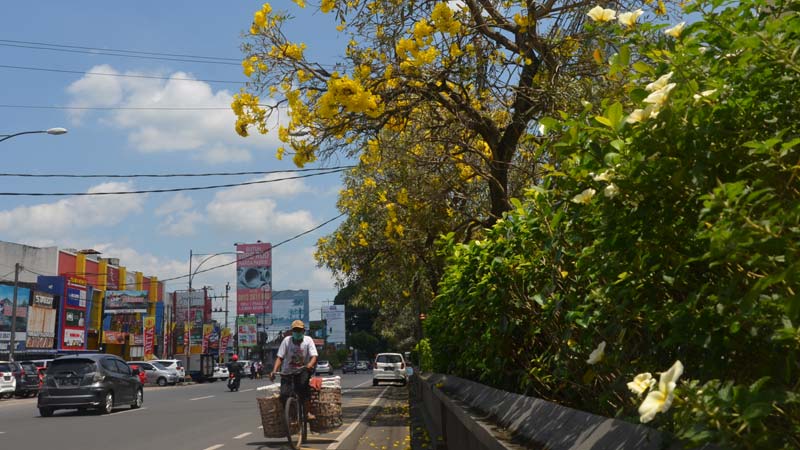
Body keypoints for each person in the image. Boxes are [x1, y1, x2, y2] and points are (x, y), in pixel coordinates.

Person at [270, 320, 318, 420]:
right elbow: (280, 357)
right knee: (284, 395)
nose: (297, 332)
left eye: (299, 330)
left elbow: (314, 356)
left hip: (302, 370)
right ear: (292, 332)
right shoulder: (287, 341)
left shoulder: (308, 340)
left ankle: (307, 412)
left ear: (303, 331)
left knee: (303, 389)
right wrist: (274, 371)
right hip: (287, 371)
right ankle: (290, 414)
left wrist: (309, 364)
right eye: (295, 330)